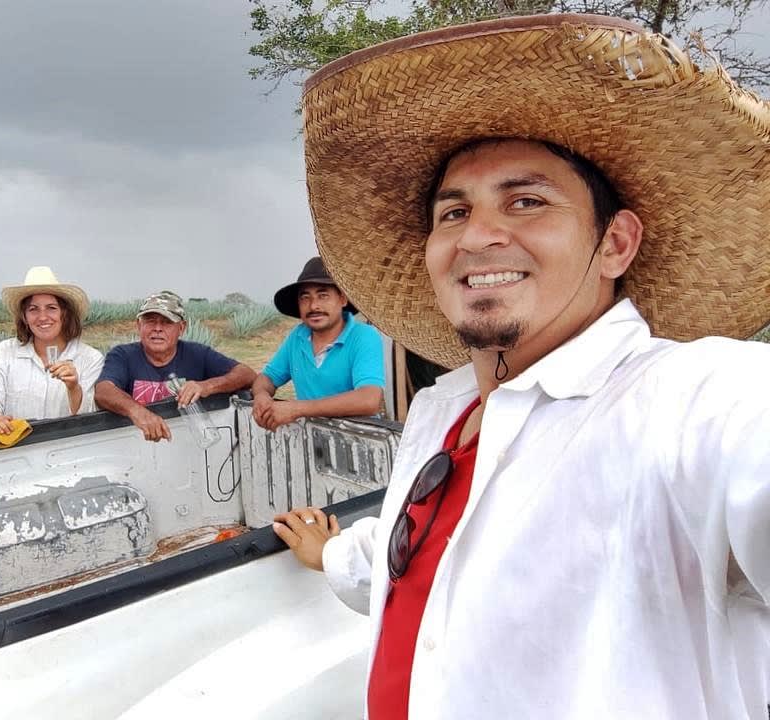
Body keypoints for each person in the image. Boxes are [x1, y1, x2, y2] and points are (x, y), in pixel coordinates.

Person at [271, 14, 770, 720]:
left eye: (527, 201)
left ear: (616, 243)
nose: (478, 236)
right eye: (452, 214)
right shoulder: (446, 411)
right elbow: (417, 556)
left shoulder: (689, 400)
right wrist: (332, 557)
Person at [94, 290, 256, 442]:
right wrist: (138, 412)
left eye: (166, 322)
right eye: (150, 321)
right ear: (139, 325)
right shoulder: (123, 355)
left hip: (190, 445)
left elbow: (247, 374)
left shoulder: (197, 354)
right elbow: (103, 391)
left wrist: (206, 386)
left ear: (181, 328)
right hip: (137, 445)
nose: (157, 328)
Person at [251, 256, 385, 430]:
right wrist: (261, 396)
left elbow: (369, 399)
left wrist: (297, 409)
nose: (314, 306)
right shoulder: (297, 337)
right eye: (305, 297)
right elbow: (267, 378)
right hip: (313, 441)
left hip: (360, 442)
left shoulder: (363, 336)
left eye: (323, 295)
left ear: (343, 299)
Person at [0, 266, 104, 435]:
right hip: (16, 452)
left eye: (51, 308)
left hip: (70, 453)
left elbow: (92, 419)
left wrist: (74, 388)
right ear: (24, 317)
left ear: (65, 313)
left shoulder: (90, 359)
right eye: (33, 309)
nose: (43, 317)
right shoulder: (4, 354)